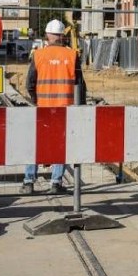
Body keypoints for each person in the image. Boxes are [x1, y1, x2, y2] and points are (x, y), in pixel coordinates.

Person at [20, 19, 85, 195]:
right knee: (60, 145)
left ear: (48, 35)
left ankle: (28, 182)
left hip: (43, 107)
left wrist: (36, 99)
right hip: (65, 108)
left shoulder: (38, 55)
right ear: (63, 36)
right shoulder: (72, 55)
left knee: (36, 144)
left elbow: (30, 83)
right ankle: (56, 182)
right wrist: (81, 108)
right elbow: (80, 84)